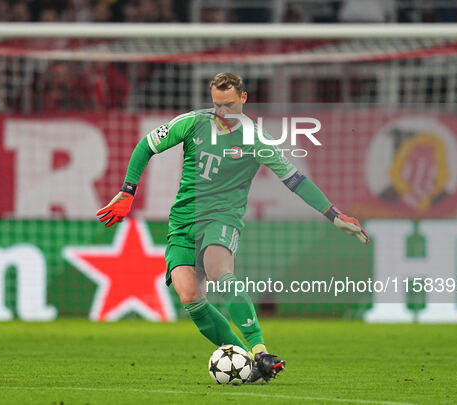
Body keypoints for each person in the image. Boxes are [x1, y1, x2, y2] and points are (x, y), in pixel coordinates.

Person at [97, 72, 369, 382]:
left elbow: (295, 181)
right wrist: (128, 190)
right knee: (190, 298)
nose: (222, 113)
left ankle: (260, 349)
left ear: (243, 98)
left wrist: (334, 215)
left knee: (218, 270)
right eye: (216, 105)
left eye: (228, 105)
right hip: (184, 219)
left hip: (222, 218)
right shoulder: (191, 122)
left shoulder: (257, 139)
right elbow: (146, 145)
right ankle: (253, 367)